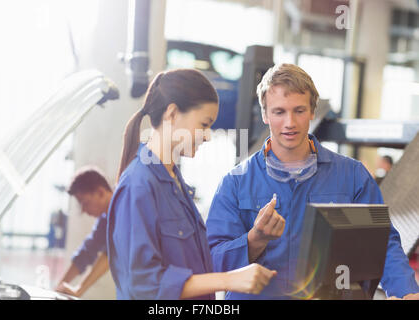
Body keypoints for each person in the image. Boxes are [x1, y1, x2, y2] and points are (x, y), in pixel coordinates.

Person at [206, 63, 419, 300]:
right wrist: (255, 239)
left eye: (299, 110)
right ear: (265, 114)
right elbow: (211, 259)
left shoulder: (353, 177)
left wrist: (406, 292)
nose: (289, 122)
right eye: (279, 112)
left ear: (313, 112)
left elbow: (382, 244)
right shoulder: (235, 182)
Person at [107, 69, 276, 300]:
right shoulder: (139, 186)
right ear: (173, 113)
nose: (207, 136)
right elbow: (143, 285)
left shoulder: (175, 184)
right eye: (204, 124)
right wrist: (228, 279)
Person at [55, 167, 112, 297]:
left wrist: (78, 290)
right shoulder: (105, 219)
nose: (83, 210)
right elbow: (86, 252)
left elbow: (111, 253)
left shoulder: (125, 206)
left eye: (84, 203)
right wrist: (58, 288)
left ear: (101, 192)